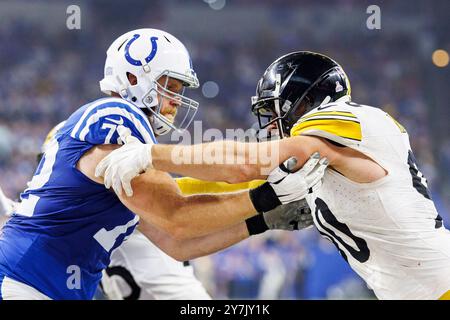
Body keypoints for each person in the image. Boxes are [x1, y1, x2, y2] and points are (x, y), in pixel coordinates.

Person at [0, 30, 326, 300]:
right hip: (25, 282)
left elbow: (176, 242)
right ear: (132, 76)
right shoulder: (118, 115)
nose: (175, 100)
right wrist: (266, 197)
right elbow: (178, 216)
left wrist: (261, 222)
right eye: (169, 86)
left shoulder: (113, 136)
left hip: (37, 284)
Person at [97, 51, 450, 300]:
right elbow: (223, 186)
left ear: (303, 100)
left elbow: (246, 164)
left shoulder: (349, 120)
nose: (271, 124)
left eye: (273, 110)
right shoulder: (320, 163)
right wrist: (142, 188)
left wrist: (151, 154)